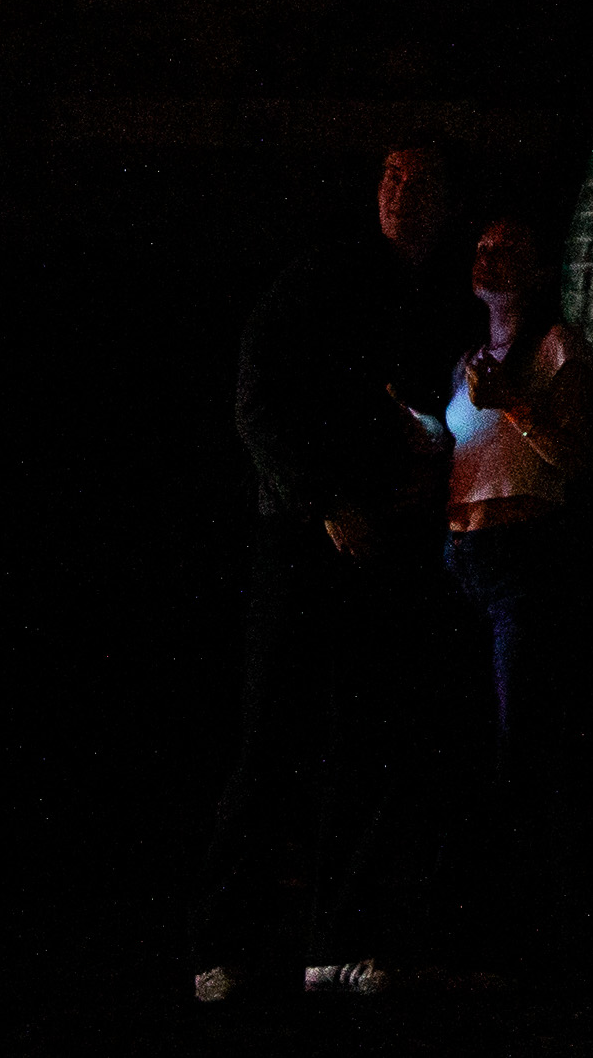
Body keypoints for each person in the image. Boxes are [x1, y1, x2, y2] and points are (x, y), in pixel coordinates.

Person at [193, 142, 473, 1006]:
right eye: (388, 176)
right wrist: (324, 502)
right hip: (304, 539)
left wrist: (425, 446)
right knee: (273, 739)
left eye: (418, 181)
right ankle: (226, 947)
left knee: (371, 740)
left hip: (386, 548)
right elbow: (256, 400)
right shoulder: (326, 277)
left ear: (442, 204)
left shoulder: (433, 301)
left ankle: (336, 944)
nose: (398, 192)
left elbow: (432, 417)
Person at [439, 213, 593, 956]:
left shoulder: (556, 346)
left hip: (521, 560)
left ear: (537, 269)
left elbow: (574, 457)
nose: (489, 254)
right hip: (458, 557)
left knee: (520, 745)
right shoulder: (465, 358)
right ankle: (465, 928)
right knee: (458, 746)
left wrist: (513, 401)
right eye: (481, 245)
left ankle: (530, 936)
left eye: (509, 245)